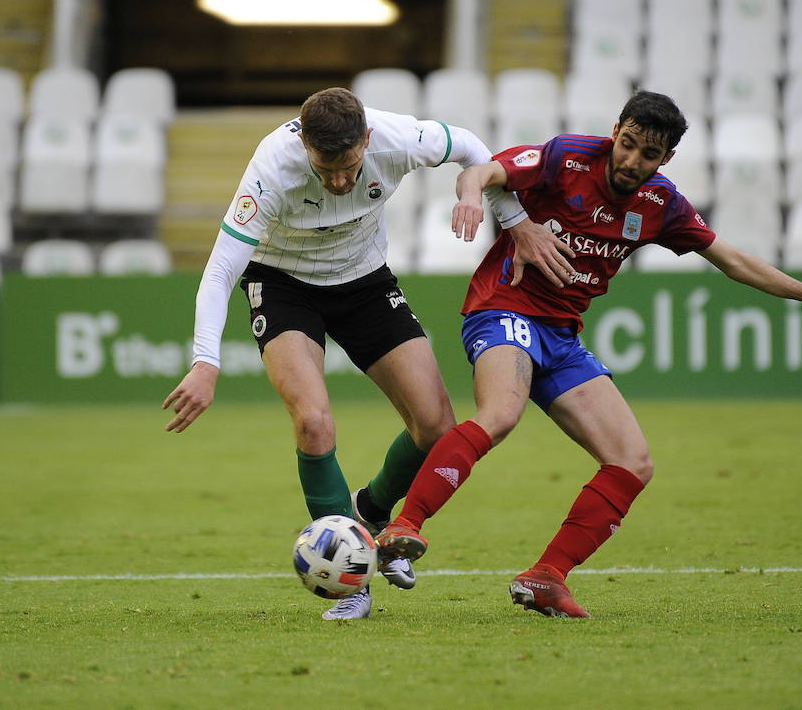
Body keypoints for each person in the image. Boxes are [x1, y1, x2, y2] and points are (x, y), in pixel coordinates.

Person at [376, 91, 802, 618]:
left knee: (633, 462)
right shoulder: (566, 157)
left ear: (666, 159)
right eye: (627, 144)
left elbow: (732, 260)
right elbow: (481, 171)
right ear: (616, 131)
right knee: (502, 413)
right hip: (504, 308)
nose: (631, 160)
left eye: (647, 154)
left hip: (562, 336)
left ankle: (546, 576)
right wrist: (479, 204)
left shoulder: (661, 203)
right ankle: (405, 524)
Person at [162, 87, 573, 622]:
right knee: (313, 422)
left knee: (436, 426)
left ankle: (369, 514)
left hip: (363, 280)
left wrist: (511, 219)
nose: (336, 180)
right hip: (284, 283)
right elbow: (219, 272)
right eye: (323, 167)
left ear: (368, 141)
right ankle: (350, 581)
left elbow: (473, 147)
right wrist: (205, 361)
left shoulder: (399, 137)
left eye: (348, 166)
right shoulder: (272, 167)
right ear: (304, 144)